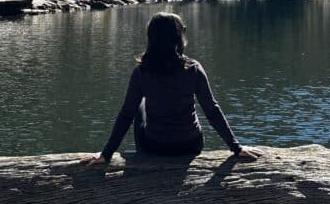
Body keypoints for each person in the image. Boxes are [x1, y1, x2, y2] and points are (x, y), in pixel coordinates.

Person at [82, 12, 261, 165]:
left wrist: (106, 154)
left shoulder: (142, 72)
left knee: (138, 106)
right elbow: (211, 110)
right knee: (189, 109)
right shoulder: (193, 68)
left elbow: (125, 115)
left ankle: (143, 158)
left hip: (155, 146)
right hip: (190, 144)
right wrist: (236, 147)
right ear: (177, 38)